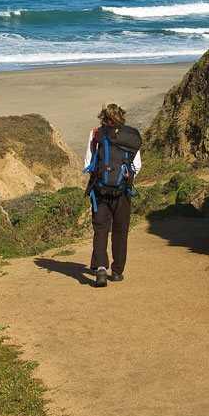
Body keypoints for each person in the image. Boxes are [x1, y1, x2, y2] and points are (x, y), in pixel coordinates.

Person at [83, 103, 142, 288]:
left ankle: (101, 269)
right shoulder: (130, 136)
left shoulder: (96, 134)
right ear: (121, 117)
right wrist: (124, 178)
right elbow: (137, 166)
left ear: (103, 117)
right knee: (120, 231)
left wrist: (102, 177)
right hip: (122, 191)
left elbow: (87, 162)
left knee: (100, 230)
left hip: (100, 191)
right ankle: (117, 272)